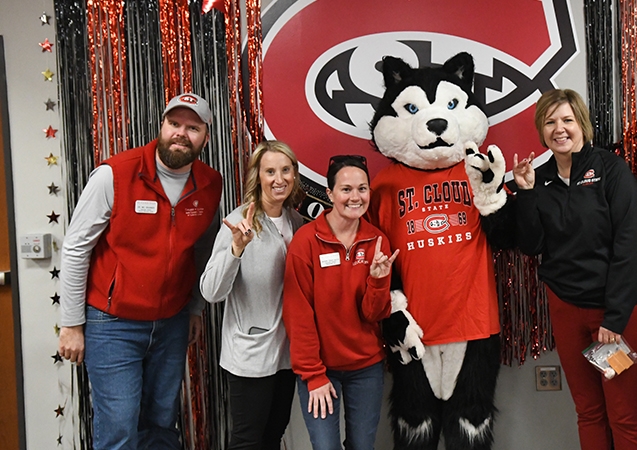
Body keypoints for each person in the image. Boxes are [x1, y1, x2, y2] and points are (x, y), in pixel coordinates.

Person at [57, 93, 222, 449]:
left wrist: (194, 309)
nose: (181, 134)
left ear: (205, 138)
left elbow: (202, 254)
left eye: (192, 128)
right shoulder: (113, 174)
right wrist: (71, 323)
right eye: (174, 124)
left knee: (162, 421)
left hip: (173, 321)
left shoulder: (210, 184)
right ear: (161, 127)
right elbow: (75, 248)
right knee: (119, 425)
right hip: (112, 323)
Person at [512, 89, 637, 450]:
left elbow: (631, 246)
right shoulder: (539, 179)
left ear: (582, 125)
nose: (560, 128)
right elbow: (532, 245)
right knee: (588, 411)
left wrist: (615, 319)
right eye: (550, 121)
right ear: (541, 130)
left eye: (567, 120)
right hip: (568, 310)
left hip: (616, 314)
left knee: (622, 413)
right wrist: (525, 193)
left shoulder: (610, 169)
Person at [282, 154, 399, 450]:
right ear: (330, 193)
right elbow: (299, 315)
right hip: (321, 371)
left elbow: (375, 314)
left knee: (362, 446)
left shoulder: (378, 241)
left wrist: (379, 279)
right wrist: (313, 375)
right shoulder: (305, 241)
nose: (355, 197)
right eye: (346, 189)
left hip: (366, 368)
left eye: (362, 188)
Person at [200, 140, 305, 450]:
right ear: (257, 176)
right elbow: (210, 291)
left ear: (295, 175)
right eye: (270, 171)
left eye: (286, 170)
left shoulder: (298, 224)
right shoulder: (238, 223)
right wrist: (236, 249)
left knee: (273, 437)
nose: (279, 179)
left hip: (287, 356)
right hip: (251, 357)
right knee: (248, 442)